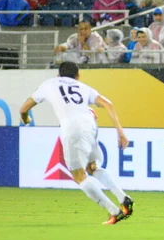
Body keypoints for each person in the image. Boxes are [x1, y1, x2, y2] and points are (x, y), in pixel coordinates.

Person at [19, 62, 133, 225]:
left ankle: (114, 211)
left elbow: (23, 109)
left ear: (58, 75)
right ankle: (124, 198)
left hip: (72, 128)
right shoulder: (84, 87)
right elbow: (108, 104)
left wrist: (26, 119)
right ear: (78, 75)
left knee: (79, 176)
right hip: (91, 123)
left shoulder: (49, 84)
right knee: (91, 168)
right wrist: (120, 133)